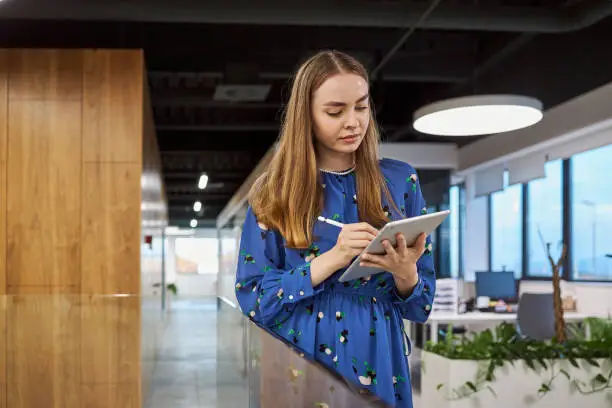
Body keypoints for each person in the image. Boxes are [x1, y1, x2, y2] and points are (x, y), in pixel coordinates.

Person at [235, 50, 436, 408]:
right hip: (302, 354)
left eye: (361, 107)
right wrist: (330, 260)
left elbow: (420, 308)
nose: (353, 122)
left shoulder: (400, 180)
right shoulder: (274, 191)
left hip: (380, 356)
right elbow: (253, 298)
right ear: (306, 116)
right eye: (335, 111)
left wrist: (407, 275)